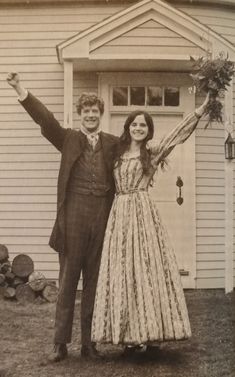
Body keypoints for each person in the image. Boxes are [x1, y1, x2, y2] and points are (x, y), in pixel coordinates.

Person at [6, 72, 119, 362]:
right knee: (68, 283)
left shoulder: (112, 143)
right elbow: (44, 119)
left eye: (95, 111)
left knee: (94, 284)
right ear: (80, 114)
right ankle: (60, 344)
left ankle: (89, 344)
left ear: (101, 115)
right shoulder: (67, 138)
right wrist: (20, 88)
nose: (91, 115)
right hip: (73, 220)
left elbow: (138, 150)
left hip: (102, 220)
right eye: (87, 111)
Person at [91, 94, 210, 351]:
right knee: (123, 272)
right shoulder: (116, 152)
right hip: (120, 214)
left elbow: (178, 134)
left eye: (143, 125)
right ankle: (129, 336)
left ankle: (153, 331)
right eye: (134, 124)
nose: (138, 128)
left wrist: (200, 109)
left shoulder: (153, 153)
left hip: (143, 214)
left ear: (148, 130)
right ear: (128, 127)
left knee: (148, 270)